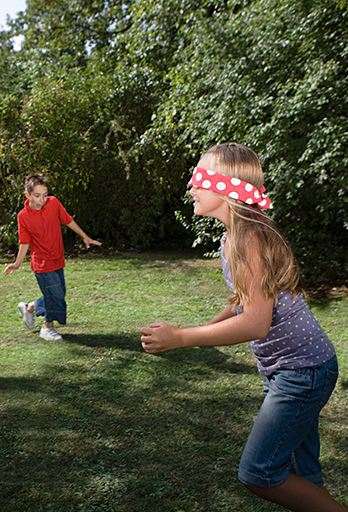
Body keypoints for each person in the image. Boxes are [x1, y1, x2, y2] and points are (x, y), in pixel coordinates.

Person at [140, 143, 347, 512]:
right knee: (302, 472)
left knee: (260, 472)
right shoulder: (233, 236)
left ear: (228, 187)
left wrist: (183, 338)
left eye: (200, 177)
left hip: (302, 372)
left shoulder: (248, 238)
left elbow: (255, 322)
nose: (191, 186)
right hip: (292, 369)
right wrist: (206, 327)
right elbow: (245, 300)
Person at [4, 173, 101, 341]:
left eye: (44, 195)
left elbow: (68, 220)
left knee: (58, 293)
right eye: (37, 195)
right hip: (41, 263)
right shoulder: (23, 216)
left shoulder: (53, 203)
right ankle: (47, 328)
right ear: (27, 195)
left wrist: (85, 237)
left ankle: (29, 308)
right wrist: (17, 264)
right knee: (54, 295)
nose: (41, 199)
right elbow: (24, 242)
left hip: (57, 258)